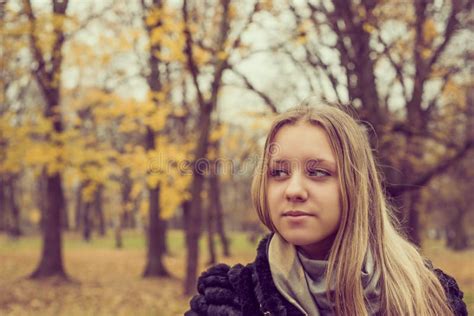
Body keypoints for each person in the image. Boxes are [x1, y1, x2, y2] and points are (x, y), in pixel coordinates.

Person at [185, 99, 467, 316]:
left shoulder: (430, 295)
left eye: (318, 172)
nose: (293, 190)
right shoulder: (229, 300)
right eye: (279, 173)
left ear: (357, 186)